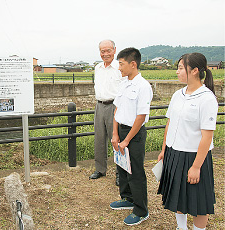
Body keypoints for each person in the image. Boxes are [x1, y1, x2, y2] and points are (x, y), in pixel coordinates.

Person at [157, 53, 218, 230]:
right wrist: (164, 150)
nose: (177, 72)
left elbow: (207, 136)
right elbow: (170, 122)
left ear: (195, 71)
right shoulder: (178, 94)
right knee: (177, 195)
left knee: (199, 200)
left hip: (195, 156)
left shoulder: (207, 98)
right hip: (174, 152)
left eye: (181, 68)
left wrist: (196, 166)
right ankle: (181, 227)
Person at [110, 48, 153, 225]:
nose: (119, 68)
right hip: (120, 131)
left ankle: (141, 210)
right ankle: (127, 198)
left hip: (134, 134)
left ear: (133, 64)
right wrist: (115, 134)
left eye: (121, 64)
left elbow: (141, 117)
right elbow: (117, 110)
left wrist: (127, 139)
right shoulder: (123, 83)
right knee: (122, 166)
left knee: (135, 171)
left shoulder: (143, 86)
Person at [89, 40, 123, 185]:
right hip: (99, 105)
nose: (105, 54)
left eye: (108, 50)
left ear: (114, 50)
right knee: (99, 139)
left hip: (115, 105)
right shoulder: (97, 68)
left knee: (116, 139)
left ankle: (120, 172)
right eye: (102, 51)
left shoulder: (119, 68)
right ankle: (100, 169)